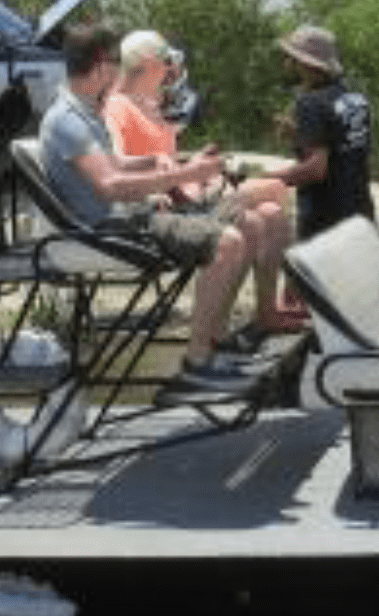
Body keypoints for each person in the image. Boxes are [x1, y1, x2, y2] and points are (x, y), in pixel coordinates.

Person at [37, 25, 279, 394]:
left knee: (247, 223)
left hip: (126, 219)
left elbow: (112, 164)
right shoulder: (69, 120)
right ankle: (197, 362)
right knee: (228, 241)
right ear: (102, 66)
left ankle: (215, 339)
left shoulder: (82, 111)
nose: (121, 74)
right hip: (109, 229)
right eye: (116, 65)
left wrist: (152, 161)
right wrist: (187, 173)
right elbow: (110, 186)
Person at [104, 30, 304, 336]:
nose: (170, 70)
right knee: (274, 189)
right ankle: (220, 329)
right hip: (164, 208)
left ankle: (263, 313)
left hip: (186, 198)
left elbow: (165, 159)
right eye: (165, 62)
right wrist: (175, 173)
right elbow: (116, 162)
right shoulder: (117, 106)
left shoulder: (149, 105)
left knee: (270, 214)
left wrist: (195, 163)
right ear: (147, 62)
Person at [264, 25, 374, 242]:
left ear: (305, 63)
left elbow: (316, 169)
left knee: (304, 274)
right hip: (361, 213)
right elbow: (341, 147)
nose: (287, 64)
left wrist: (265, 179)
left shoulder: (310, 103)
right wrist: (299, 133)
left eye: (292, 58)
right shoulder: (355, 99)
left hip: (325, 220)